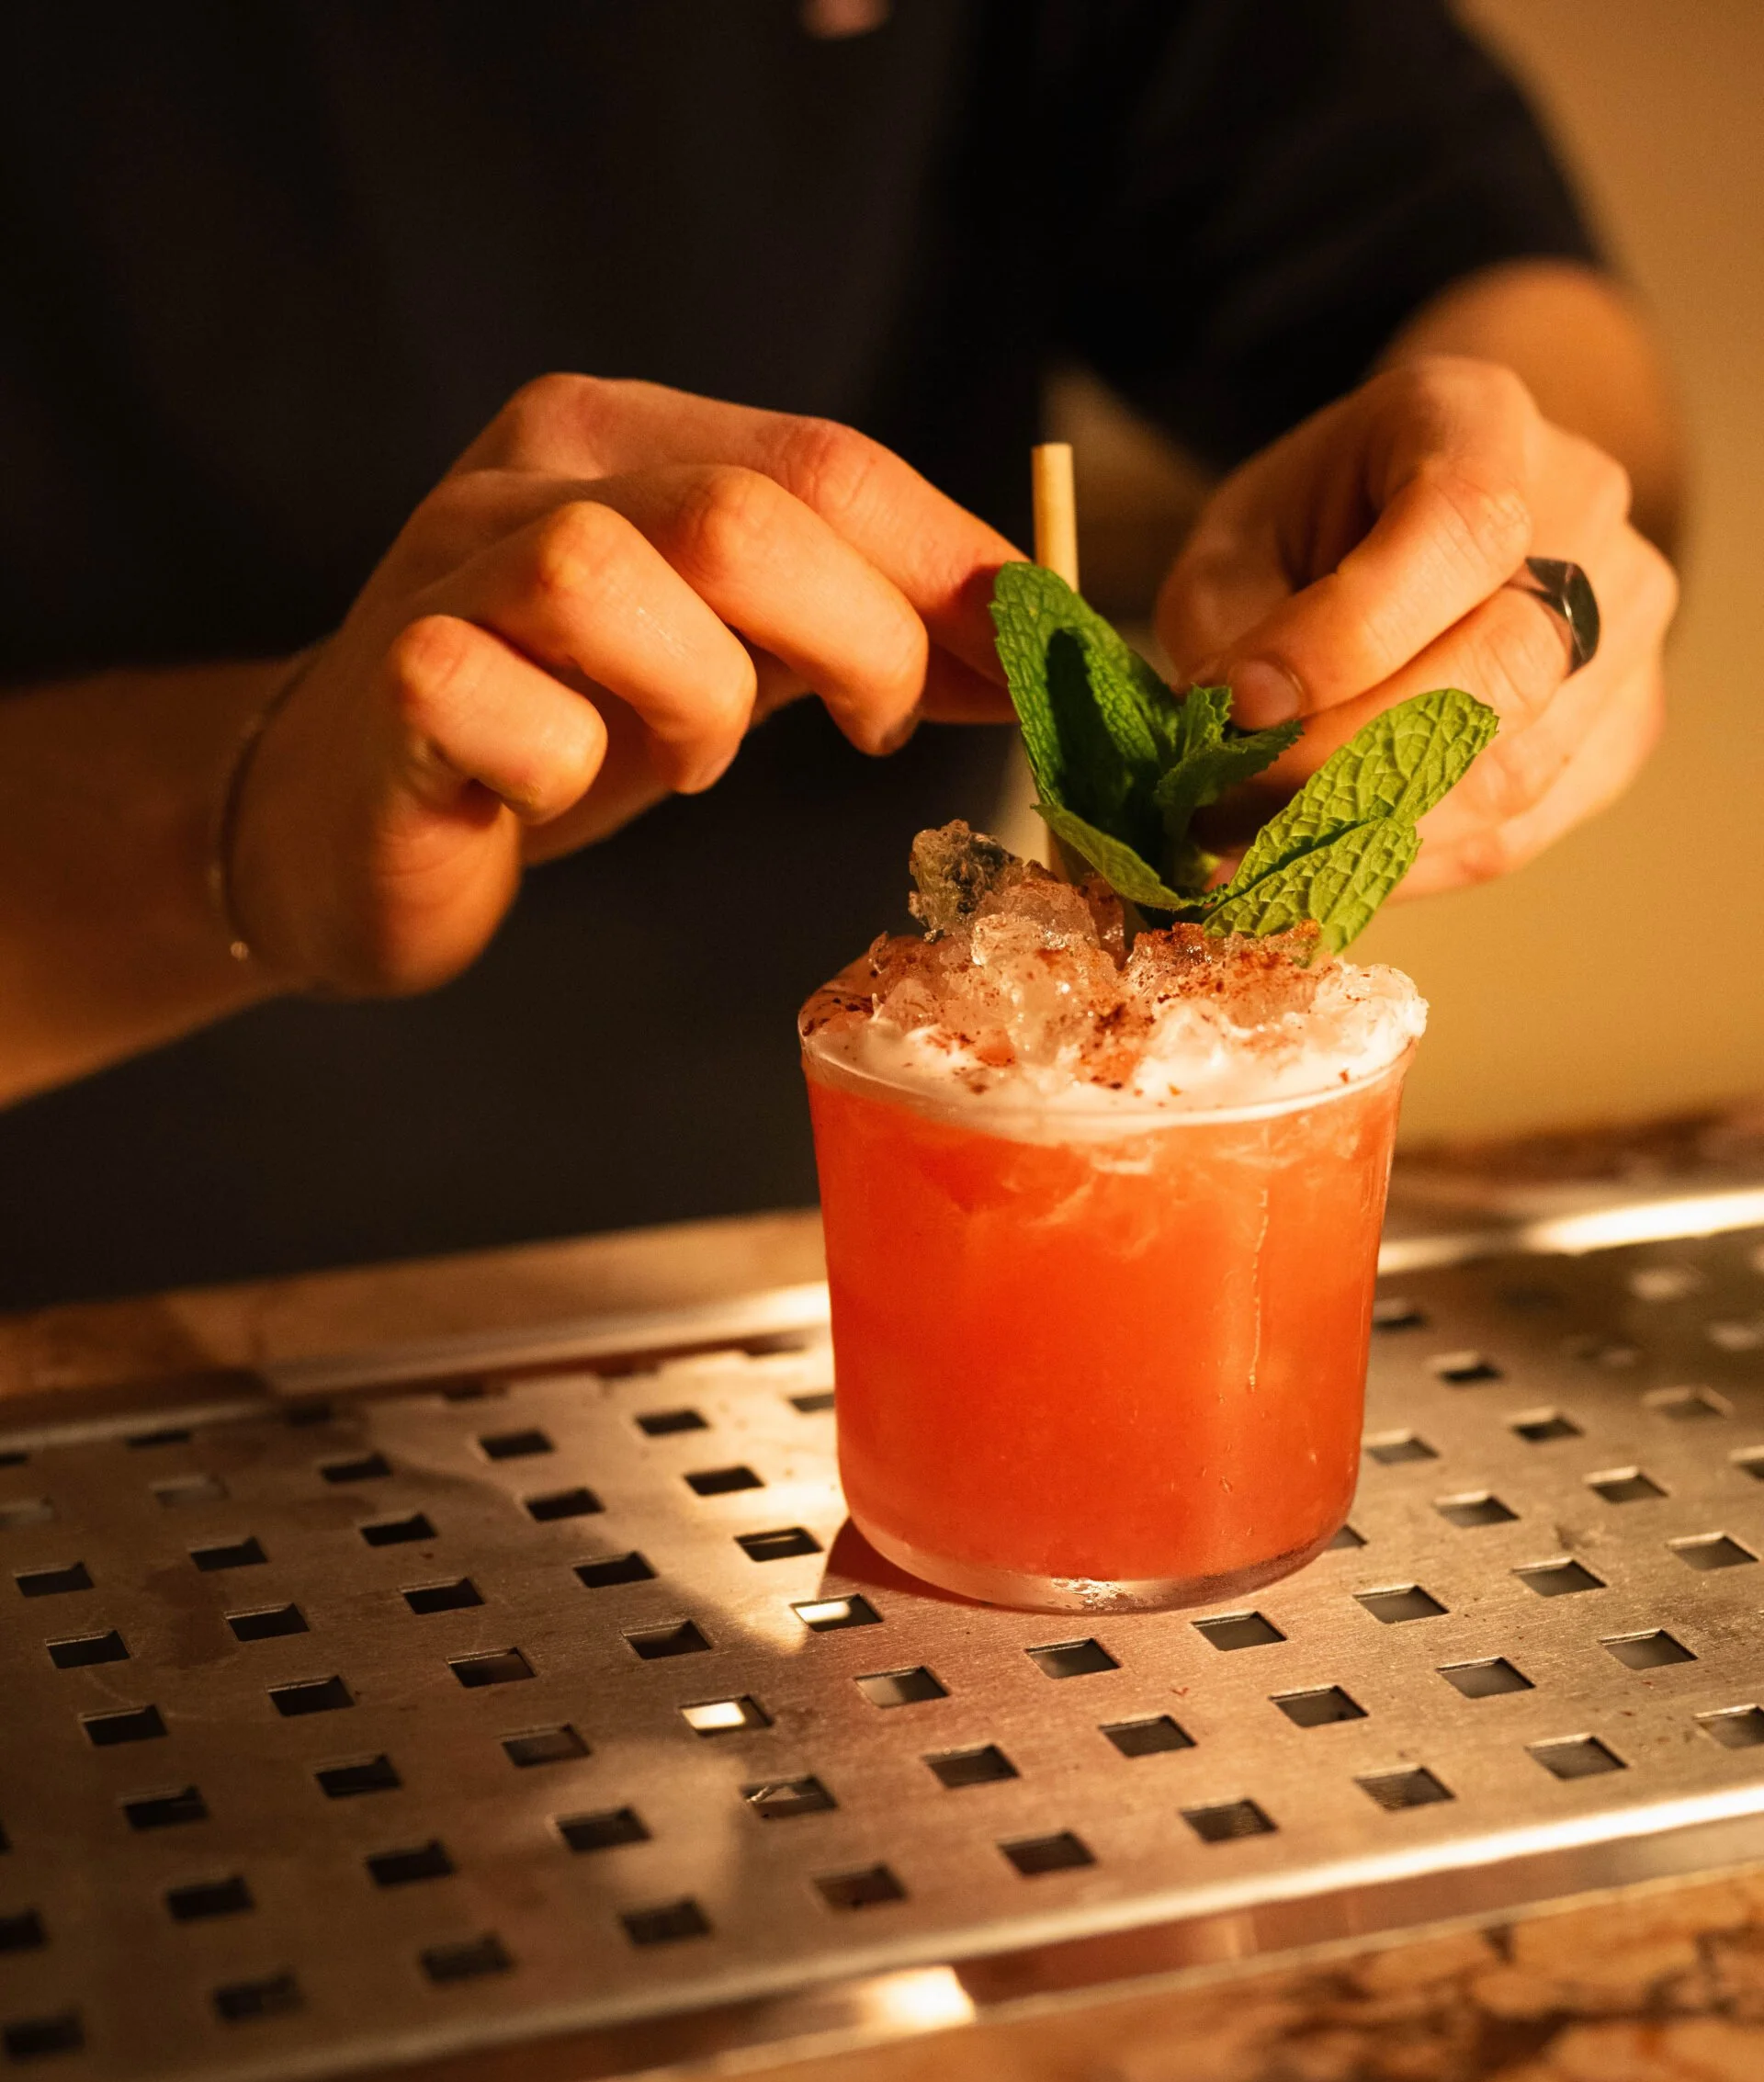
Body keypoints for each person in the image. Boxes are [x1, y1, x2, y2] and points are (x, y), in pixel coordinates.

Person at [0, 1, 1680, 1307]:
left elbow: (1507, 303)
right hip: (90, 1321)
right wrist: (225, 830)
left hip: (816, 1297)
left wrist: (1523, 539)